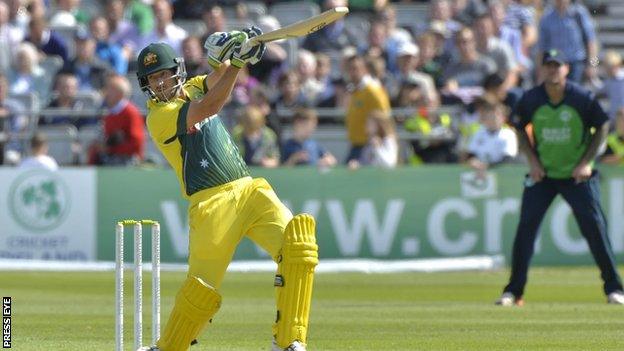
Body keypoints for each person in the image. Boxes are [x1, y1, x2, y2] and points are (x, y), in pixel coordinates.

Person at [136, 28, 318, 351]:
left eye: (164, 74)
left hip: (248, 189)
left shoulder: (191, 87)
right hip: (211, 204)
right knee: (201, 290)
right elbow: (209, 107)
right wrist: (235, 64)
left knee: (298, 245)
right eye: (153, 79)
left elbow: (218, 78)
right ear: (146, 85)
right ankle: (166, 348)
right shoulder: (158, 118)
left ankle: (290, 341)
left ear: (177, 71)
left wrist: (237, 51)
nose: (160, 84)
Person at [496, 49, 624, 306]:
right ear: (543, 69)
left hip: (576, 175)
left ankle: (614, 288)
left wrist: (586, 162)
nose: (553, 70)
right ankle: (514, 291)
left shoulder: (580, 98)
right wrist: (533, 161)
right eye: (549, 66)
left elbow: (602, 125)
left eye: (558, 66)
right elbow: (519, 128)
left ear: (566, 69)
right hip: (544, 174)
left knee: (595, 228)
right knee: (526, 229)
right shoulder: (532, 98)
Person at [465, 97, 517, 177]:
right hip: (479, 174)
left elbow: (508, 159)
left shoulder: (509, 134)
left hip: (502, 174)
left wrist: (487, 166)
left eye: (497, 115)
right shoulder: (478, 133)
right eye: (490, 114)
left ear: (503, 118)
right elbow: (471, 154)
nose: (493, 117)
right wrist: (474, 162)